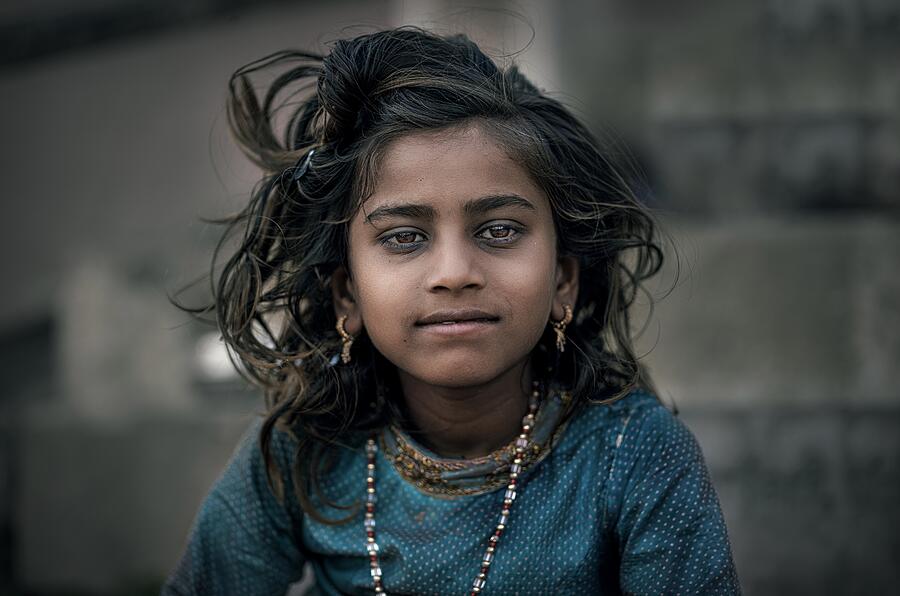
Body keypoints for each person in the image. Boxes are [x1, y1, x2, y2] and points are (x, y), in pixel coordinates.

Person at [163, 27, 740, 595]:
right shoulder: (306, 452)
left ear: (563, 279)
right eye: (404, 238)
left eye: (499, 230)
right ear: (348, 295)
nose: (454, 273)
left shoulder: (631, 452)